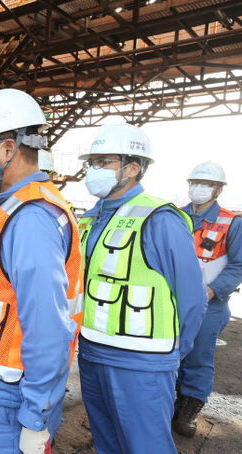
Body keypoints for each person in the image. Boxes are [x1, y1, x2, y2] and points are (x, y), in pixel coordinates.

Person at [0, 88, 83, 454]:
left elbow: (47, 329)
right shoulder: (12, 208)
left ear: (7, 150)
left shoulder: (31, 219)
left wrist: (35, 416)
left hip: (6, 397)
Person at [76, 123, 208, 454]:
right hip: (92, 353)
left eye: (103, 161)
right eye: (91, 162)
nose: (93, 170)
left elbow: (192, 300)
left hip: (141, 363)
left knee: (146, 446)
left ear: (133, 168)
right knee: (107, 442)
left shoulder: (160, 218)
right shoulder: (90, 219)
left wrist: (170, 357)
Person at [174, 161, 242, 437]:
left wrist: (213, 289)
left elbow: (238, 265)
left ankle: (189, 407)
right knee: (171, 353)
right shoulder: (175, 216)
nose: (199, 188)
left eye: (207, 184)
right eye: (195, 183)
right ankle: (173, 398)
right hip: (173, 300)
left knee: (199, 357)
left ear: (218, 189)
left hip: (209, 304)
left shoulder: (231, 222)